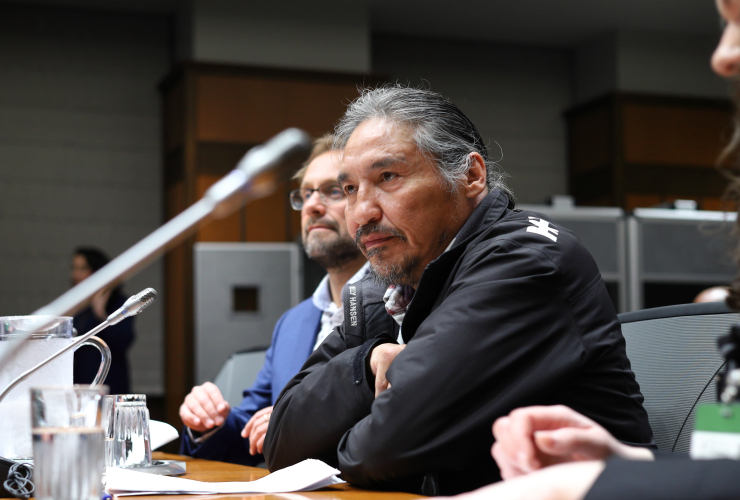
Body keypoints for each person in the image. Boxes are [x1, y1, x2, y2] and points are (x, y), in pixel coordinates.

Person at [263, 86, 654, 495]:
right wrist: (366, 363)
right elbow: (281, 446)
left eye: (387, 178)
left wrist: (325, 451)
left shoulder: (525, 261)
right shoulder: (390, 286)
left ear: (470, 176)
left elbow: (384, 449)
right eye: (349, 189)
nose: (362, 212)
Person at [441, 1, 740, 498]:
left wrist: (586, 485)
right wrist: (628, 461)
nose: (722, 56)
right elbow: (729, 462)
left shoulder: (521, 258)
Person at [179, 134, 368, 466]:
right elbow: (250, 430)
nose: (312, 205)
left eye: (333, 191)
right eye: (306, 193)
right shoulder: (293, 323)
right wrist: (209, 423)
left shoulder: (401, 303)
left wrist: (298, 429)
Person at [71, 247, 135, 394]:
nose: (76, 274)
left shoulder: (120, 303)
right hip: (82, 381)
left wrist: (100, 313)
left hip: (109, 379)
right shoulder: (79, 305)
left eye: (83, 268)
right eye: (74, 268)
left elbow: (123, 340)